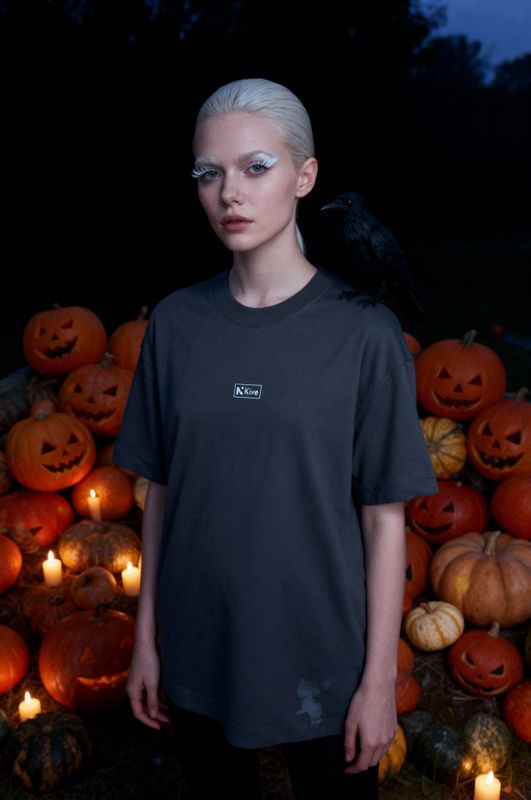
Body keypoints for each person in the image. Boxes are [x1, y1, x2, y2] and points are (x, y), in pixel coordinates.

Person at [111, 77, 438, 800]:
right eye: (209, 173)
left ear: (304, 176)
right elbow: (160, 492)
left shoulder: (363, 333)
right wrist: (145, 643)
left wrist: (378, 681)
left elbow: (385, 523)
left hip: (323, 659)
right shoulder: (174, 324)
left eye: (255, 168)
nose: (229, 193)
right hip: (198, 649)